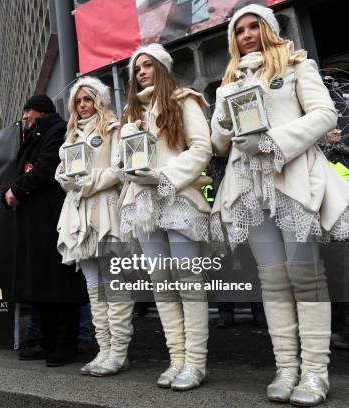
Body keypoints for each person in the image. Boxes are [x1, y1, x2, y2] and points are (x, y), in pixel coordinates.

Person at [210, 5, 349, 405]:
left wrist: (273, 140)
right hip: (248, 186)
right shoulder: (228, 83)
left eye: (255, 26)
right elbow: (219, 144)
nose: (247, 34)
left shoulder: (296, 65)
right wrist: (222, 119)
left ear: (268, 29)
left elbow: (324, 114)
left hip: (290, 179)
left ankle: (315, 373)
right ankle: (286, 369)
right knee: (272, 281)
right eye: (240, 30)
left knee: (306, 276)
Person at [119, 43, 212, 390]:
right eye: (136, 68)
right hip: (144, 204)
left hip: (178, 198)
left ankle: (196, 363)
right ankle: (176, 359)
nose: (141, 71)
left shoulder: (184, 99)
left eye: (147, 65)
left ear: (161, 67)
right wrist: (127, 169)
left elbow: (202, 149)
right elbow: (121, 161)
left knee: (188, 282)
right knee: (161, 284)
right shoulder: (131, 112)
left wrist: (162, 176)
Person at [1, 94, 88, 367]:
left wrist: (16, 189)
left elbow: (47, 167)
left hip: (53, 219)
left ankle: (67, 344)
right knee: (41, 284)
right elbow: (21, 172)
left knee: (59, 284)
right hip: (34, 221)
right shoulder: (32, 137)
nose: (24, 116)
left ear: (40, 113)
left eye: (28, 111)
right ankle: (48, 341)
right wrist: (11, 189)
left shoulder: (58, 131)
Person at [55, 76, 131, 376]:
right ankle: (104, 349)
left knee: (114, 285)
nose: (83, 105)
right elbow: (62, 172)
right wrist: (66, 179)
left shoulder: (113, 128)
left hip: (106, 210)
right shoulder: (70, 136)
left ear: (98, 100)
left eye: (88, 99)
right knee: (93, 287)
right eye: (78, 101)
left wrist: (88, 183)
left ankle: (120, 352)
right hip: (78, 214)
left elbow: (119, 168)